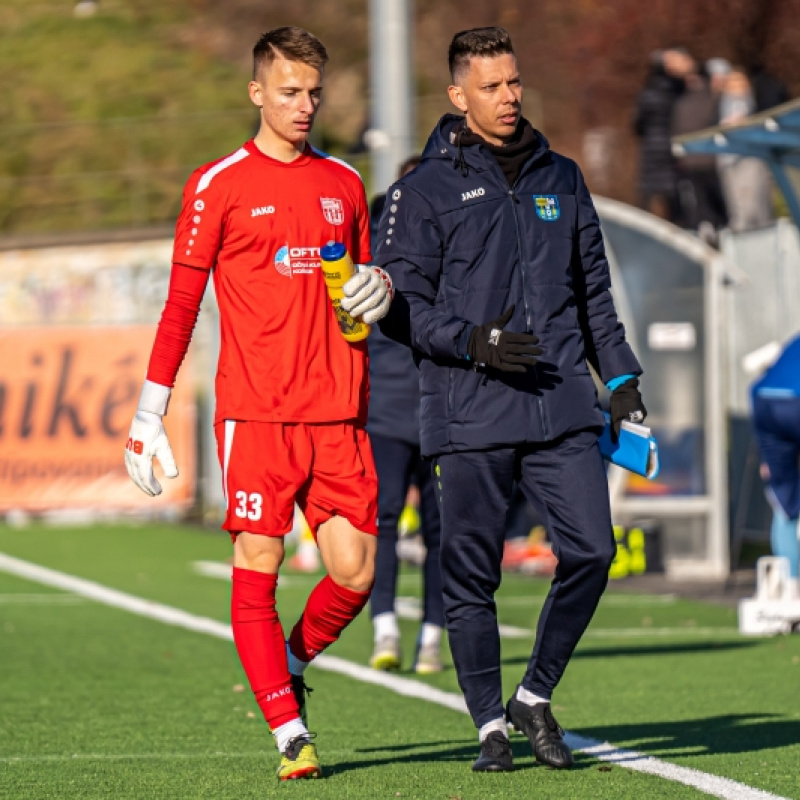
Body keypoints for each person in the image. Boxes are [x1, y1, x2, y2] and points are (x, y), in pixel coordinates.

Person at [123, 26, 393, 781]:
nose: (304, 106)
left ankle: (292, 661)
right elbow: (180, 307)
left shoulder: (342, 184)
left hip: (339, 410)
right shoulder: (219, 185)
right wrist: (150, 413)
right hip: (258, 414)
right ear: (256, 94)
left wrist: (380, 293)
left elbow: (366, 288)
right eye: (288, 93)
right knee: (261, 557)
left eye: (313, 93)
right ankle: (287, 730)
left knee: (356, 572)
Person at [375, 27, 647, 773]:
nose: (509, 96)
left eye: (515, 82)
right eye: (492, 86)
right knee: (469, 577)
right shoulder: (420, 192)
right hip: (469, 411)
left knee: (592, 549)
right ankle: (490, 724)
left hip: (561, 405)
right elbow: (399, 308)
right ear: (459, 97)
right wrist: (474, 343)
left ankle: (534, 697)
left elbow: (594, 290)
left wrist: (620, 379)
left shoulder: (561, 175)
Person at [365, 154, 446, 674]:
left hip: (437, 408)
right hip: (394, 407)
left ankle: (425, 636)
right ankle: (391, 630)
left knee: (434, 528)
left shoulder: (457, 240)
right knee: (388, 521)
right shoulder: (372, 240)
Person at [751, 334, 800, 599]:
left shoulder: (791, 342)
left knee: (784, 502)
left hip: (765, 403)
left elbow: (758, 383)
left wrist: (765, 455)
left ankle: (792, 588)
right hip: (795, 400)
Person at [633, 47, 692, 221]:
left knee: (646, 195)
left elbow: (637, 123)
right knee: (675, 197)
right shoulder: (678, 90)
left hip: (650, 149)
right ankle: (681, 228)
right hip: (672, 146)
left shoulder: (646, 93)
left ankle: (640, 230)